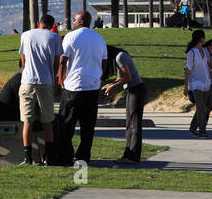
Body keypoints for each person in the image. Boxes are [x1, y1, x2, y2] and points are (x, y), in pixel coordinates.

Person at [54, 10, 108, 164]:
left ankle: (65, 155)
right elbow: (104, 62)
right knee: (88, 125)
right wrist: (99, 78)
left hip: (74, 87)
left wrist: (61, 79)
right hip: (92, 87)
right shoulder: (99, 38)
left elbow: (63, 60)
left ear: (81, 22)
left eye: (74, 20)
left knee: (66, 124)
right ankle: (83, 156)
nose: (72, 22)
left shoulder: (71, 37)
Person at [18, 13, 63, 165]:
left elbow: (23, 59)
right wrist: (53, 76)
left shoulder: (25, 35)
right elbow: (57, 62)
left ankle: (27, 157)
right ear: (52, 26)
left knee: (27, 122)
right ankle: (49, 157)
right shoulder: (55, 38)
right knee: (47, 122)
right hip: (46, 82)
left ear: (39, 23)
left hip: (27, 82)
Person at [103, 45, 147, 164]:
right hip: (132, 90)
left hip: (136, 89)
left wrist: (113, 86)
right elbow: (121, 78)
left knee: (134, 123)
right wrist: (111, 85)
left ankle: (134, 156)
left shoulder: (120, 57)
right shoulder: (119, 57)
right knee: (129, 123)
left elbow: (128, 77)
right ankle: (128, 154)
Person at [185, 29, 212, 136]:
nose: (205, 39)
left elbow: (211, 65)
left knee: (208, 106)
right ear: (200, 38)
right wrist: (186, 87)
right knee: (201, 107)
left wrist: (211, 53)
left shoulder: (206, 51)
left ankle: (193, 127)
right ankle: (202, 131)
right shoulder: (192, 53)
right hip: (195, 83)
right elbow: (188, 70)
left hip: (206, 83)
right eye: (204, 37)